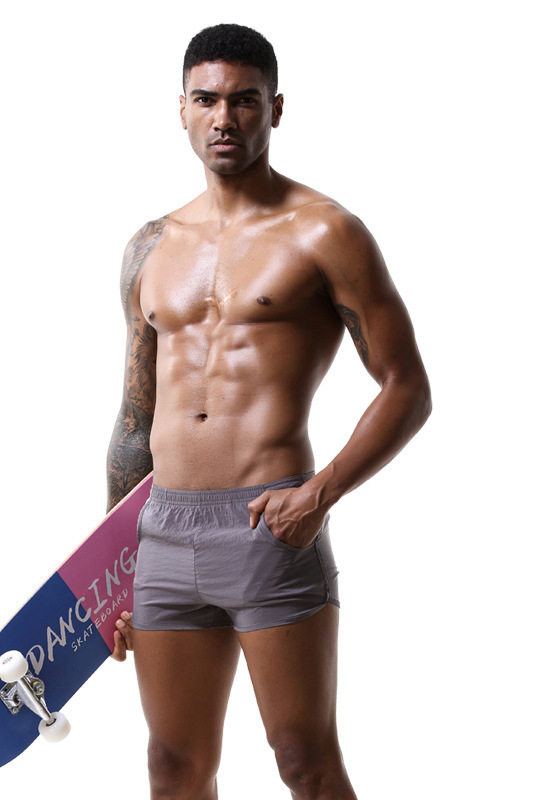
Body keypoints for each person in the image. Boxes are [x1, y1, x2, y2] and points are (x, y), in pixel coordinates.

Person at [105, 23, 431, 800]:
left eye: (244, 100)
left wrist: (320, 493)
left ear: (275, 109)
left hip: (268, 525)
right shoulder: (150, 246)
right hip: (161, 531)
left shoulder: (325, 232)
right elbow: (134, 418)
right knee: (172, 765)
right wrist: (109, 569)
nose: (224, 118)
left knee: (303, 762)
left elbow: (406, 387)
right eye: (206, 100)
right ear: (181, 110)